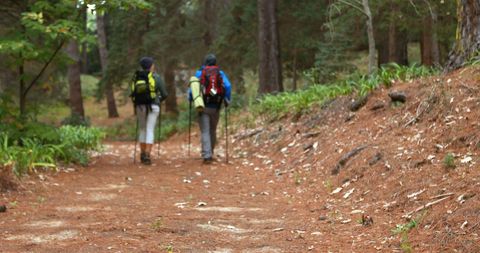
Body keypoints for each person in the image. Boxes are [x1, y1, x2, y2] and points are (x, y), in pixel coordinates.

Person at [190, 54, 232, 164]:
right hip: (216, 106)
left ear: (205, 62)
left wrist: (191, 99)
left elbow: (193, 90)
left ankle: (207, 156)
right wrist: (227, 99)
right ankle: (211, 152)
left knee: (205, 131)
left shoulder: (200, 73)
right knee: (212, 130)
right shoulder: (220, 73)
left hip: (203, 106)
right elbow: (228, 86)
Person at [131, 57, 168, 165]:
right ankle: (147, 154)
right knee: (150, 129)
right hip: (153, 106)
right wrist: (158, 100)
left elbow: (133, 93)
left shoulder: (137, 77)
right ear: (151, 65)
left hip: (140, 106)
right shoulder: (156, 77)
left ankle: (142, 154)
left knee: (142, 129)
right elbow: (164, 94)